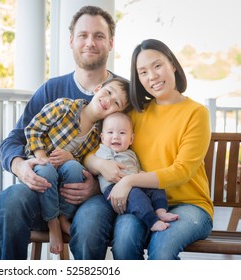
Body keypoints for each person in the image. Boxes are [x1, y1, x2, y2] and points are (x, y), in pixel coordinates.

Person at [0, 6, 126, 259]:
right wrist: (20, 167)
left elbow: (133, 156)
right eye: (83, 35)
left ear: (110, 42)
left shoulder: (122, 96)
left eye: (99, 36)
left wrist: (96, 189)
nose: (90, 42)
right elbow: (14, 139)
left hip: (94, 196)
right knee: (11, 201)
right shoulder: (51, 91)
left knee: (89, 227)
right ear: (71, 40)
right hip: (45, 186)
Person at [85, 38, 214, 260]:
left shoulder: (196, 113)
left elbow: (182, 171)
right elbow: (94, 151)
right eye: (143, 72)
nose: (152, 77)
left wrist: (130, 180)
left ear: (172, 64)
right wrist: (100, 164)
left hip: (190, 204)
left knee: (161, 249)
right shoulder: (135, 114)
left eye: (157, 66)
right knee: (124, 240)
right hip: (143, 201)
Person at [24, 77, 130, 254]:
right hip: (41, 166)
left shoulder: (99, 136)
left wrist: (71, 157)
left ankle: (64, 217)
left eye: (116, 103)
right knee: (47, 170)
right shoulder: (64, 107)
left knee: (74, 168)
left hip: (64, 176)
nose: (108, 100)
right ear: (97, 89)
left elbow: (84, 165)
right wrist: (42, 157)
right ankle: (53, 223)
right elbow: (33, 129)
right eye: (108, 92)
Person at [96, 112, 178, 232]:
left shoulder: (131, 153)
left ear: (131, 139)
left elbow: (135, 168)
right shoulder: (103, 151)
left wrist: (141, 174)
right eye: (110, 132)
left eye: (122, 133)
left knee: (155, 186)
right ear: (102, 138)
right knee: (136, 196)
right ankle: (152, 221)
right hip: (114, 188)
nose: (116, 137)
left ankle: (161, 211)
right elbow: (96, 166)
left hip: (133, 182)